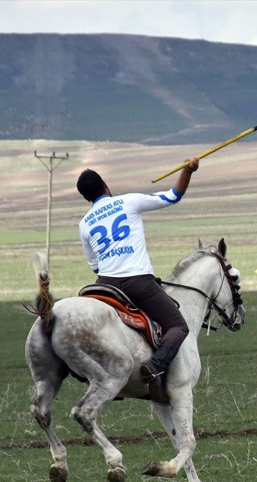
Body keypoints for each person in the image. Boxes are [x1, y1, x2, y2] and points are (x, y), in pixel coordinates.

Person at [76, 157, 200, 400]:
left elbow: (95, 265)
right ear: (105, 185)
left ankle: (98, 374)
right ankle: (154, 367)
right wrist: (188, 169)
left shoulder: (84, 224)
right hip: (139, 283)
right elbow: (173, 195)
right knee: (178, 325)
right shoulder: (128, 201)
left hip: (104, 285)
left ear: (86, 198)